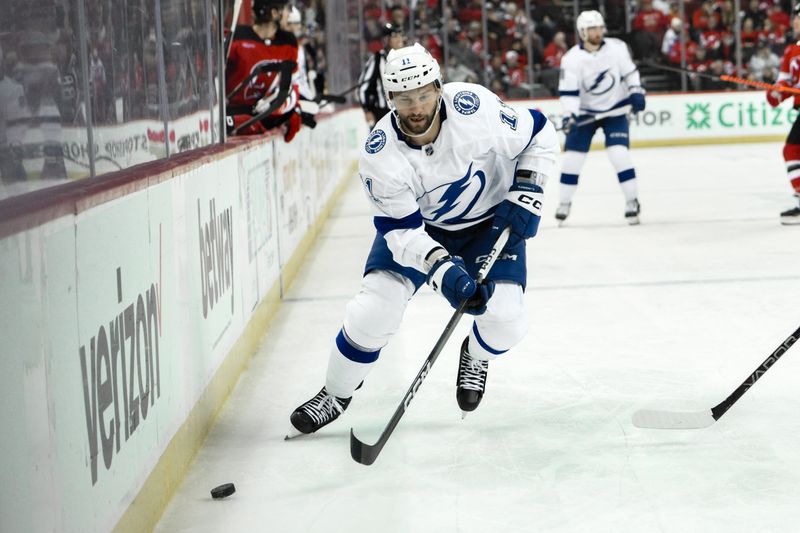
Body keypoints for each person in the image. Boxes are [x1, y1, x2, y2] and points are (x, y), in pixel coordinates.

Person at [288, 43, 559, 436]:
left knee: (507, 321)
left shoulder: (475, 109)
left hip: (490, 223)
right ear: (391, 98)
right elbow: (401, 232)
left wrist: (527, 193)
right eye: (403, 98)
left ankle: (476, 354)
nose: (415, 107)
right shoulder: (380, 154)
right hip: (420, 229)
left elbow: (540, 133)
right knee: (373, 311)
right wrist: (442, 270)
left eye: (422, 95)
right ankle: (336, 392)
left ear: (438, 87)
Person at [555, 10, 646, 225]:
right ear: (582, 32)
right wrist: (570, 115)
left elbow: (630, 73)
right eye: (592, 29)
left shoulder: (617, 48)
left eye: (599, 27)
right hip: (585, 114)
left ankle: (632, 201)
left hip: (615, 111)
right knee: (571, 161)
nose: (597, 32)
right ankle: (564, 202)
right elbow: (569, 93)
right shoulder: (572, 59)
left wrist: (636, 91)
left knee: (619, 154)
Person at [225, 0, 302, 142]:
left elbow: (294, 84)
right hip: (234, 121)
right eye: (284, 9)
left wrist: (291, 109)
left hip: (264, 119)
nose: (288, 13)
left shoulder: (288, 42)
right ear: (273, 13)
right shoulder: (237, 37)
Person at [766, 3, 800, 225]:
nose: (795, 21)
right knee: (791, 150)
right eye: (795, 16)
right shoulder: (791, 51)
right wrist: (776, 93)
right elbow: (784, 83)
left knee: (792, 149)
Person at [357, 22, 405, 129]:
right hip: (382, 113)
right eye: (394, 36)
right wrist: (367, 110)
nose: (399, 39)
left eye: (399, 35)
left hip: (404, 112)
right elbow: (363, 88)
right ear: (386, 40)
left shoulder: (406, 58)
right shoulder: (377, 59)